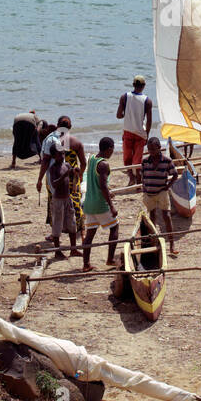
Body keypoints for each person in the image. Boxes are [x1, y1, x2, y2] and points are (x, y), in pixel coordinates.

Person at [81, 137, 119, 272]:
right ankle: (110, 259)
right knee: (114, 227)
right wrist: (112, 206)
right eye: (112, 150)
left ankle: (86, 264)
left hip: (89, 203)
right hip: (100, 204)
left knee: (90, 235)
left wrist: (108, 190)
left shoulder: (92, 159)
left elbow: (96, 182)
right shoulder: (103, 164)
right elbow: (102, 186)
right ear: (109, 149)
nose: (112, 153)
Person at [139, 136, 179, 254]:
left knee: (166, 215)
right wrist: (144, 188)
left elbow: (175, 175)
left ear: (159, 148)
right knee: (152, 216)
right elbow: (143, 175)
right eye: (149, 149)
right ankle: (153, 242)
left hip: (162, 192)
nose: (151, 152)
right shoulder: (145, 161)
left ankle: (172, 244)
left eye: (153, 149)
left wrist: (168, 186)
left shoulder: (167, 161)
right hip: (149, 193)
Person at [44, 141, 78, 261]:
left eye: (63, 153)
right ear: (53, 156)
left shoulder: (67, 165)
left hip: (67, 198)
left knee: (72, 223)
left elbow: (72, 176)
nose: (62, 156)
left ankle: (73, 249)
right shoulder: (53, 169)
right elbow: (54, 183)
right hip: (58, 200)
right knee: (57, 226)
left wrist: (74, 172)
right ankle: (57, 252)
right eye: (59, 154)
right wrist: (65, 176)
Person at [116, 76, 152, 185]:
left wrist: (127, 115)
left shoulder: (124, 97)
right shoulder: (147, 100)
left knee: (127, 158)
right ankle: (139, 179)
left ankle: (131, 178)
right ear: (144, 86)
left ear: (133, 85)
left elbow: (118, 115)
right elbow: (149, 121)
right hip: (140, 133)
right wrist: (147, 135)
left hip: (128, 131)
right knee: (137, 159)